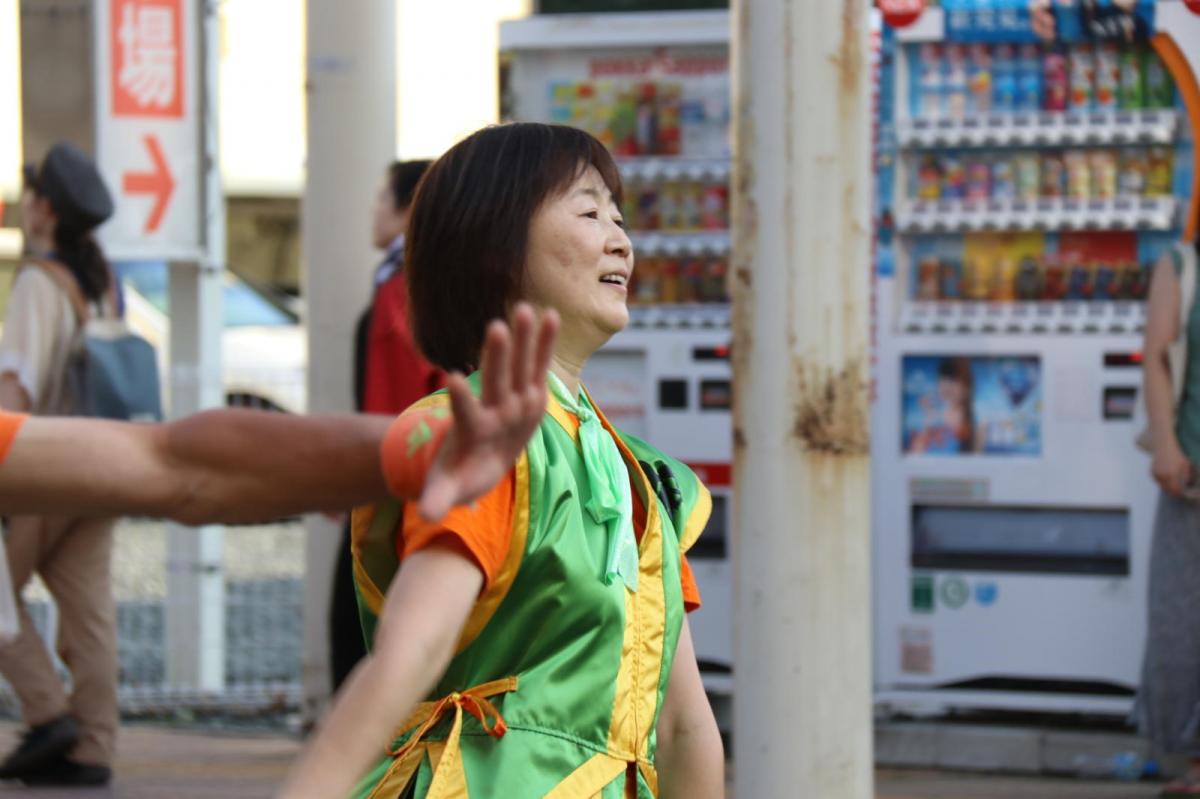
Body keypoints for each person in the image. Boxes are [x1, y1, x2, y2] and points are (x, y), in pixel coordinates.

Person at [280, 122, 724, 798]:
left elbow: (685, 720)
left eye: (618, 215)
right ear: (495, 244)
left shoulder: (645, 475)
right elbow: (414, 651)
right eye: (588, 210)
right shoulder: (480, 441)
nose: (621, 239)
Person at [0, 142, 121, 786]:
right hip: (107, 461)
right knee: (89, 609)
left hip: (45, 465)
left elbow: (16, 383)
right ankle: (93, 749)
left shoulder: (38, 283)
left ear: (44, 209)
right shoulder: (101, 281)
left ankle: (50, 715)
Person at [332, 160, 441, 693]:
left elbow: (392, 394)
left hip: (393, 481)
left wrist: (359, 476)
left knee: (363, 634)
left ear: (407, 208)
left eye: (383, 197)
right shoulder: (438, 277)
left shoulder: (399, 286)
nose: (373, 210)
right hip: (429, 475)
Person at [1140, 215, 1200, 796]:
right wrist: (1165, 443)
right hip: (1194, 472)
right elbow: (1156, 358)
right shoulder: (1182, 265)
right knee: (1183, 622)